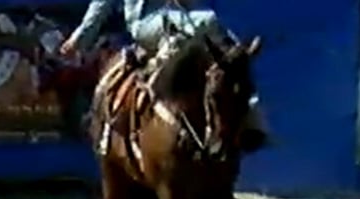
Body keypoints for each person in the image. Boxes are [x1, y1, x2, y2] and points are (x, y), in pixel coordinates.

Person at [61, 0, 267, 156]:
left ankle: (251, 114)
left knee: (231, 49)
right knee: (209, 21)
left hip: (185, 15)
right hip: (146, 22)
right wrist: (79, 39)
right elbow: (101, 5)